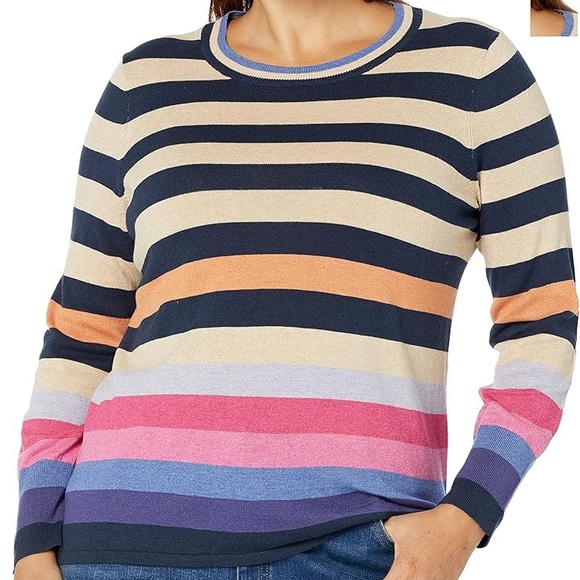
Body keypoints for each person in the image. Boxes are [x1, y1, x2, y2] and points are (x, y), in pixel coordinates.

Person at [13, 0, 579, 579]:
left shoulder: (474, 70)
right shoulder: (145, 83)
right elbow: (81, 334)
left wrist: (468, 514)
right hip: (119, 544)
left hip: (359, 548)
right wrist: (34, 537)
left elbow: (543, 320)